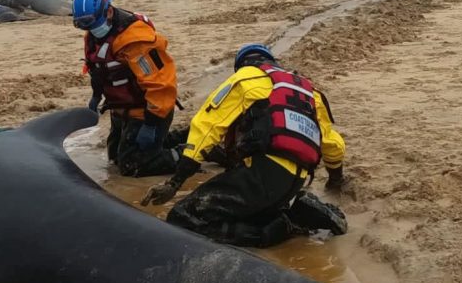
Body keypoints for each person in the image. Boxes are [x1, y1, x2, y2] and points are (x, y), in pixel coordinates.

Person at [142, 43, 347, 248]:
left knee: (184, 217)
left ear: (242, 65)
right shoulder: (310, 92)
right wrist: (335, 179)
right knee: (248, 211)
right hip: (295, 179)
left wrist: (175, 182)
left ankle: (289, 225)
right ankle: (299, 210)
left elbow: (207, 125)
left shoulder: (245, 78)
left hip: (262, 172)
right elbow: (333, 144)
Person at [72, 0, 183, 177]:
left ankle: (190, 155)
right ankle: (177, 139)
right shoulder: (93, 36)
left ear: (108, 12)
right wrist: (96, 96)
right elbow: (97, 69)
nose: (87, 28)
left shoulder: (135, 41)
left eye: (89, 22)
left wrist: (151, 123)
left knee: (132, 165)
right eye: (80, 24)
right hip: (121, 109)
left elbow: (160, 84)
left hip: (149, 110)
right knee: (115, 158)